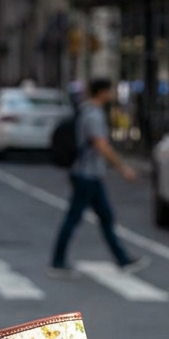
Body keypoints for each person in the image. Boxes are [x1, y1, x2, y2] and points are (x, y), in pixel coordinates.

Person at [50, 77, 149, 276]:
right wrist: (123, 168)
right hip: (86, 174)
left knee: (105, 217)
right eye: (110, 91)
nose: (112, 95)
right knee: (75, 218)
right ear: (102, 92)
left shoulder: (88, 111)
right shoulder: (93, 115)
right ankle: (57, 261)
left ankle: (122, 260)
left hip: (90, 173)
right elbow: (100, 144)